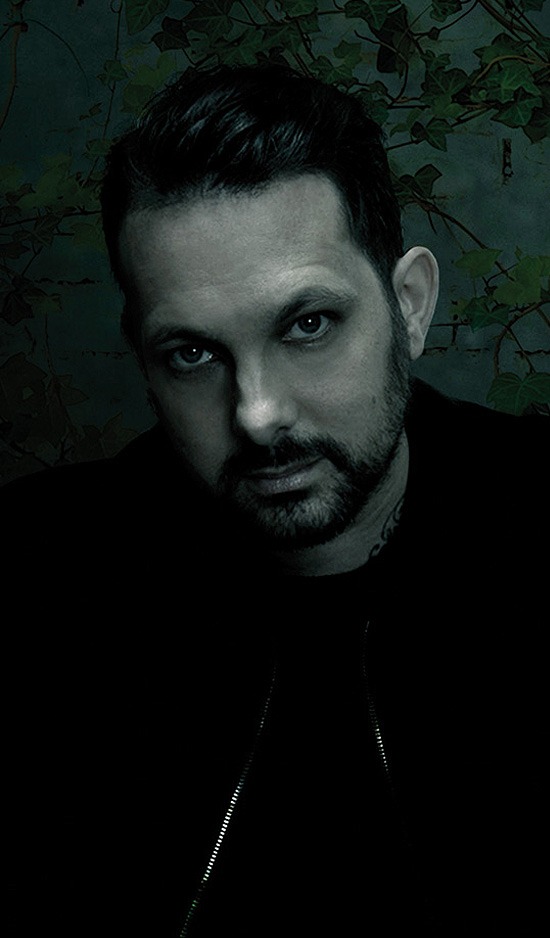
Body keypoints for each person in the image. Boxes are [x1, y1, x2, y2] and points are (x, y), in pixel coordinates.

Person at [3, 64, 547, 938]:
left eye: (307, 325)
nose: (256, 414)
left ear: (409, 306)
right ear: (143, 358)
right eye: (191, 354)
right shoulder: (38, 583)